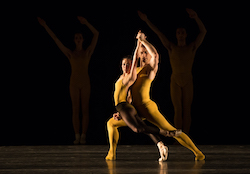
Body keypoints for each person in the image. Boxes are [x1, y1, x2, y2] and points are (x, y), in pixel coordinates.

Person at [106, 29, 205, 161]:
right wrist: (122, 111)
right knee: (111, 123)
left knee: (171, 130)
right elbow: (128, 94)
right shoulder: (134, 71)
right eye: (142, 53)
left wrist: (143, 41)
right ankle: (112, 153)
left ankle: (198, 153)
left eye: (146, 52)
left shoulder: (150, 68)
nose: (145, 54)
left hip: (147, 108)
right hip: (135, 109)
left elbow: (155, 55)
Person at [138, 8, 207, 134]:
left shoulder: (191, 47)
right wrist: (146, 20)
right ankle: (179, 137)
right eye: (178, 33)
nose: (180, 34)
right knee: (177, 109)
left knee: (187, 109)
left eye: (182, 32)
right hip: (175, 80)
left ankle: (186, 136)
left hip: (187, 80)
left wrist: (196, 17)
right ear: (176, 35)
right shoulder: (171, 47)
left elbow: (203, 31)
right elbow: (158, 33)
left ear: (185, 35)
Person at [37, 16, 99, 144]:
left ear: (82, 39)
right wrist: (45, 25)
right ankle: (77, 136)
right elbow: (55, 39)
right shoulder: (70, 53)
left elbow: (96, 34)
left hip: (85, 82)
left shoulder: (87, 52)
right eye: (76, 38)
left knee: (85, 109)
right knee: (75, 109)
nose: (78, 39)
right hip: (74, 83)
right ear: (74, 40)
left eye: (80, 38)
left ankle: (83, 136)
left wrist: (86, 22)